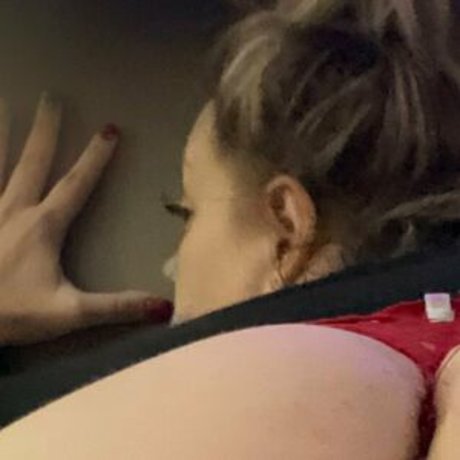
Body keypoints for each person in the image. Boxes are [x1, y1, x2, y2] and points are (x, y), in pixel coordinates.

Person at [1, 0, 460, 458]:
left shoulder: (257, 383)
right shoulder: (429, 355)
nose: (171, 265)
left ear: (285, 228)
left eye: (188, 214)